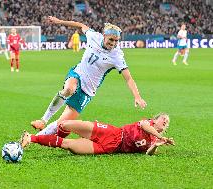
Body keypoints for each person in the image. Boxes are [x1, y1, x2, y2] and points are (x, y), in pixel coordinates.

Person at [31, 16, 147, 137]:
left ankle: (34, 138)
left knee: (62, 125)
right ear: (104, 35)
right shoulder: (93, 36)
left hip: (87, 91)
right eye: (111, 39)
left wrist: (137, 96)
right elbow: (81, 25)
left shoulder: (117, 56)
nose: (113, 43)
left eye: (116, 41)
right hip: (77, 74)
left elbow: (128, 78)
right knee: (69, 89)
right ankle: (43, 120)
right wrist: (59, 22)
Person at [22, 113, 174, 155]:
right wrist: (161, 137)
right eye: (164, 119)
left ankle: (31, 138)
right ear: (155, 120)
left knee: (68, 145)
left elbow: (148, 153)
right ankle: (50, 137)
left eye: (167, 122)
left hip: (110, 148)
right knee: (65, 124)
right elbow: (144, 126)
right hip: (112, 133)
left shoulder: (155, 139)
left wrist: (157, 144)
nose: (165, 122)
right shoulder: (147, 123)